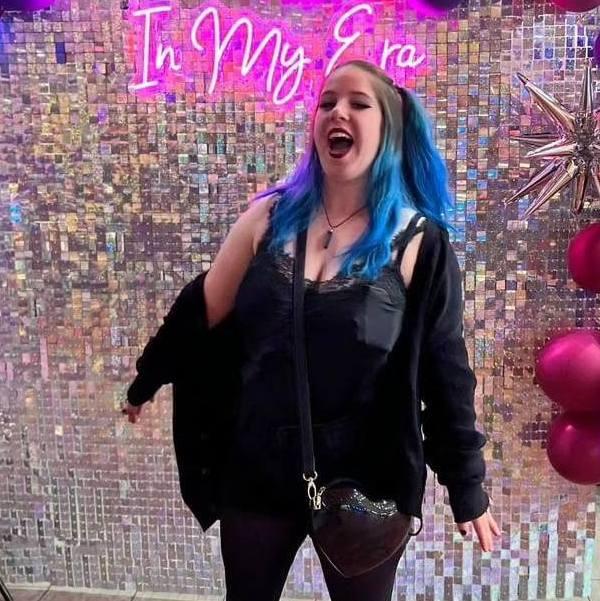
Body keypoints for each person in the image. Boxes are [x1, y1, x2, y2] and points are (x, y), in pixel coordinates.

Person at [123, 59, 501, 601]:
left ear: (389, 128)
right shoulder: (268, 219)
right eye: (327, 103)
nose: (337, 112)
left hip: (366, 480)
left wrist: (467, 487)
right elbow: (197, 314)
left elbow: (447, 374)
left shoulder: (418, 242)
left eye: (357, 103)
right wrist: (145, 381)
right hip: (258, 466)